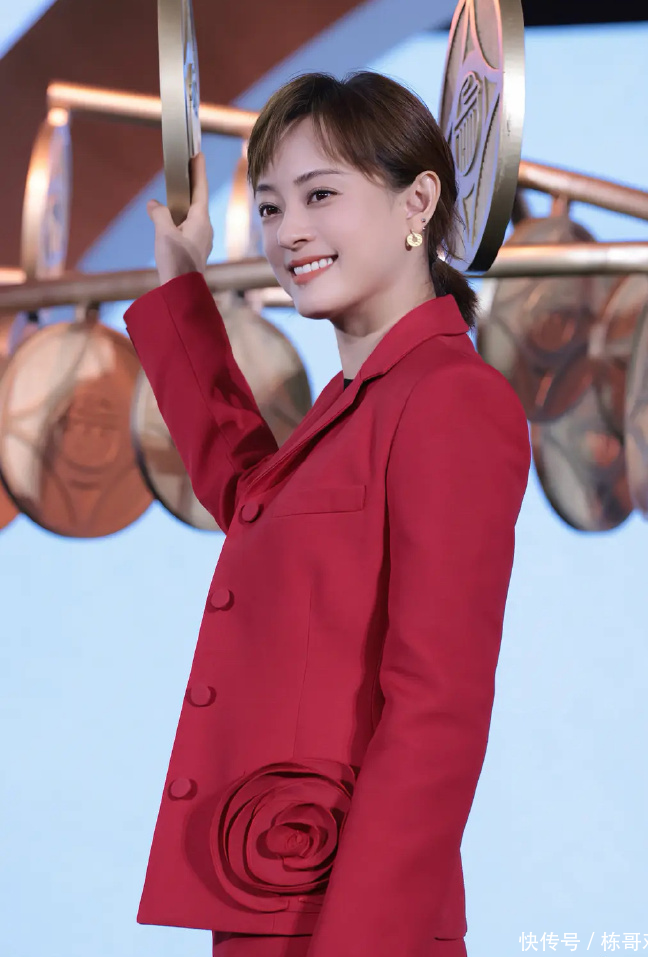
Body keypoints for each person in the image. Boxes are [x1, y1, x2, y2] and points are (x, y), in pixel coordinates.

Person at [123, 71, 531, 957]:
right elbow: (250, 499)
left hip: (353, 924)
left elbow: (438, 710)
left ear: (418, 201)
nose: (288, 232)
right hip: (272, 907)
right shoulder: (355, 402)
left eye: (319, 195)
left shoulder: (451, 399)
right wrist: (182, 284)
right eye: (271, 207)